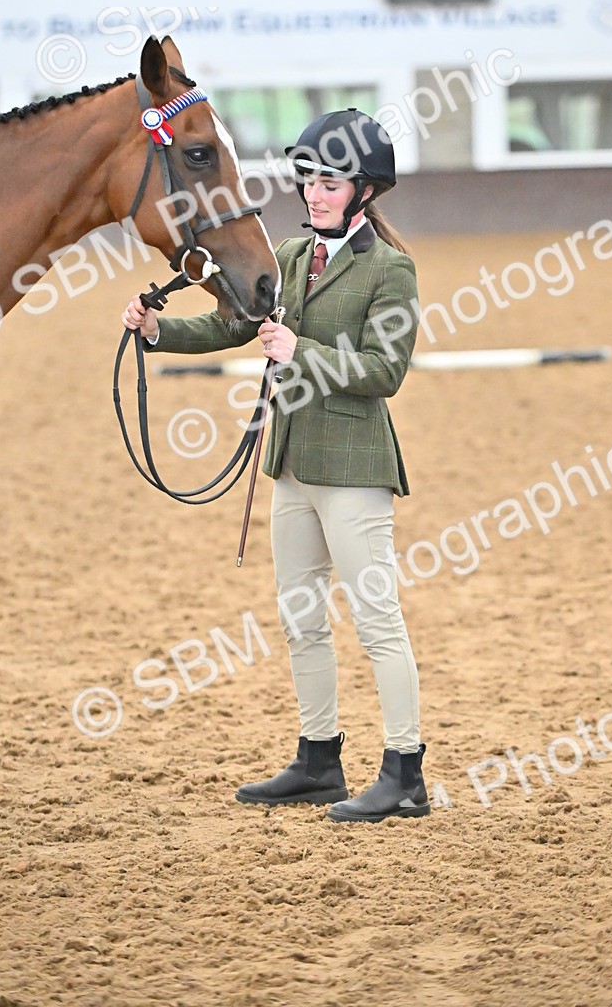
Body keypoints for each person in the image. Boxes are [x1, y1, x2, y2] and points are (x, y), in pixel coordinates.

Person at [122, 109, 429, 823]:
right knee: (301, 619)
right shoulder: (289, 257)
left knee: (377, 622)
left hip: (354, 469)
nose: (316, 193)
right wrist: (159, 330)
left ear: (365, 190)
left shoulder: (390, 270)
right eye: (311, 181)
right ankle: (319, 758)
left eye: (331, 183)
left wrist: (303, 354)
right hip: (291, 465)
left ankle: (405, 771)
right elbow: (233, 323)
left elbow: (386, 370)